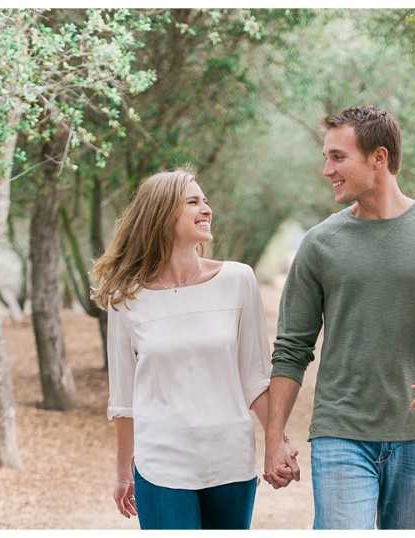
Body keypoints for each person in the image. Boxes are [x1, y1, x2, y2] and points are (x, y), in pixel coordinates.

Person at [262, 105, 415, 529]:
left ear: (379, 158)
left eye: (337, 157)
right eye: (326, 157)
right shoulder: (319, 244)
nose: (326, 169)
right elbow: (291, 350)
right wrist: (274, 438)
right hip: (341, 431)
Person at [91, 167, 295, 530]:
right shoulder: (126, 297)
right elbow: (124, 399)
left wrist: (276, 442)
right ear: (162, 214)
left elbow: (255, 379)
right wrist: (124, 472)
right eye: (193, 202)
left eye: (206, 200)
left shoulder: (238, 280)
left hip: (231, 459)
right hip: (161, 463)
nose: (207, 209)